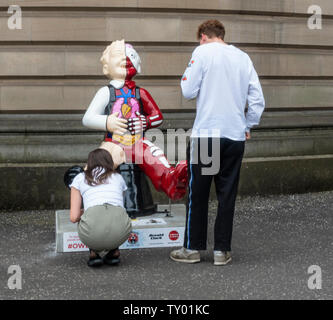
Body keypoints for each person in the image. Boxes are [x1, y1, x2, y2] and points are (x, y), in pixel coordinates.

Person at [170, 20, 265, 265]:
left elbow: (188, 91)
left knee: (198, 194)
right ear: (221, 35)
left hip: (207, 135)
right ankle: (222, 250)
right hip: (234, 136)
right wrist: (247, 125)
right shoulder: (243, 57)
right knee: (227, 195)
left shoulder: (202, 52)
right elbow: (257, 99)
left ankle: (192, 249)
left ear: (203, 36)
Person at [69, 147, 132, 267]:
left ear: (89, 162)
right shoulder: (118, 178)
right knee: (114, 215)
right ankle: (114, 251)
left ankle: (93, 252)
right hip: (121, 233)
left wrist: (85, 212)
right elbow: (119, 205)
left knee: (85, 218)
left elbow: (73, 217)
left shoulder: (80, 178)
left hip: (92, 233)